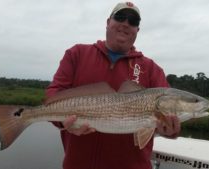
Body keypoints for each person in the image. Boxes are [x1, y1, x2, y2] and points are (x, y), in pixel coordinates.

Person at [46, 2, 181, 169]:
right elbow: (53, 95)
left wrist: (170, 131)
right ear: (108, 22)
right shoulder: (77, 54)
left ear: (137, 30)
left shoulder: (151, 69)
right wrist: (63, 122)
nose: (125, 23)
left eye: (133, 21)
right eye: (120, 17)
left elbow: (165, 125)